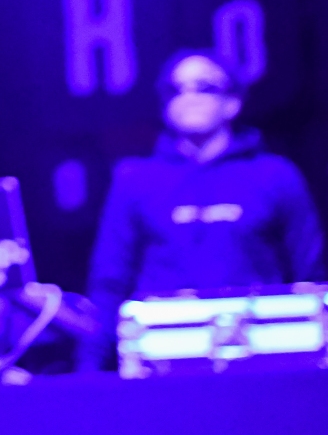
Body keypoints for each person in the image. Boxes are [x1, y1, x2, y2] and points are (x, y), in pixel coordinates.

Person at [84, 49, 325, 367]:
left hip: (261, 360)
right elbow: (109, 284)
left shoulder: (275, 174)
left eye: (204, 87)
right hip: (163, 361)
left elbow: (311, 276)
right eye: (176, 89)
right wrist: (88, 372)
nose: (190, 97)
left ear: (232, 102)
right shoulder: (135, 179)